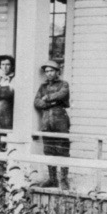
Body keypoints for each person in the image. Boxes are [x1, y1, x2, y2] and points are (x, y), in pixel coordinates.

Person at [34, 60, 71, 188]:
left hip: (60, 118)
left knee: (62, 149)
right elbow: (37, 102)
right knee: (49, 149)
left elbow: (62, 94)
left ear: (57, 72)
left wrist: (48, 98)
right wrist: (49, 102)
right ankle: (52, 179)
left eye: (51, 71)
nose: (49, 74)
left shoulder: (63, 84)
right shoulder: (42, 87)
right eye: (47, 71)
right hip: (46, 119)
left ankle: (64, 179)